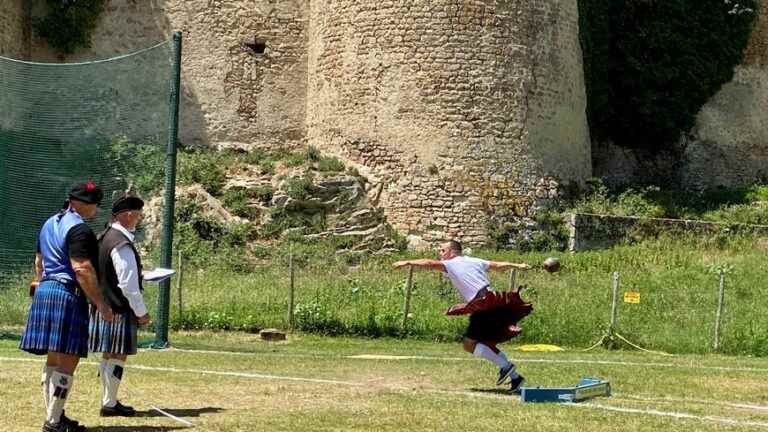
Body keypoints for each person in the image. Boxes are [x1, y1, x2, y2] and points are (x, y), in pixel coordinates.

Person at [21, 181, 114, 432]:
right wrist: (100, 303)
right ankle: (53, 421)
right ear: (81, 203)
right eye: (94, 203)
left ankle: (55, 416)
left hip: (46, 289)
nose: (95, 208)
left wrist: (42, 283)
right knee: (68, 358)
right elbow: (81, 268)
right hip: (66, 293)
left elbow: (39, 261)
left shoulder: (49, 223)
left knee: (53, 356)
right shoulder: (80, 230)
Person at [393, 240, 533, 392]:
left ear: (452, 251)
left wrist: (407, 262)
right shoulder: (474, 261)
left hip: (484, 306)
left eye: (442, 250)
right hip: (492, 302)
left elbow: (428, 263)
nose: (440, 254)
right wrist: (517, 265)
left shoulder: (451, 263)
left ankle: (506, 367)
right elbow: (498, 266)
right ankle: (516, 378)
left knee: (469, 344)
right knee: (486, 344)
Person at [88, 193, 151, 417]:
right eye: (138, 214)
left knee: (109, 355)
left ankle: (109, 400)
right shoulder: (122, 243)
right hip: (119, 308)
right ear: (127, 215)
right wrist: (141, 312)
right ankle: (110, 403)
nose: (139, 218)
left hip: (105, 305)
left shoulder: (104, 236)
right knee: (117, 355)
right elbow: (127, 285)